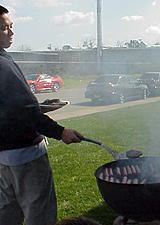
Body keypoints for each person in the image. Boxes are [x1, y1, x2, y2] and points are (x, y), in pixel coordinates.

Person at [0, 5, 83, 225]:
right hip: (25, 154)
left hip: (2, 157)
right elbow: (24, 111)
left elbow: (10, 107)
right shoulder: (3, 65)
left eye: (11, 26)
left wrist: (39, 107)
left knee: (8, 213)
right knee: (40, 213)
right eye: (3, 28)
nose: (11, 32)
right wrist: (61, 132)